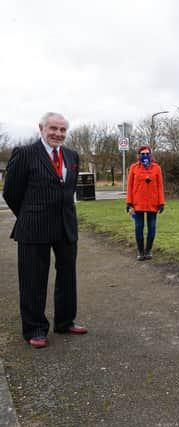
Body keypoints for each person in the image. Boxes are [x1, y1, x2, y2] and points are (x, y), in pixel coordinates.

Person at [2, 112, 88, 348]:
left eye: (62, 130)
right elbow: (11, 192)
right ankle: (35, 329)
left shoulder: (71, 156)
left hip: (66, 227)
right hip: (34, 227)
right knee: (33, 280)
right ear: (41, 128)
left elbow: (68, 190)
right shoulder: (25, 153)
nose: (58, 134)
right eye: (53, 129)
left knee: (68, 276)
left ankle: (65, 321)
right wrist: (30, 214)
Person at [126, 145, 165, 261]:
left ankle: (148, 250)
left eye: (147, 153)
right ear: (139, 155)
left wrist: (161, 202)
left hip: (152, 203)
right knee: (139, 227)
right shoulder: (134, 168)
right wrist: (129, 203)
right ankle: (140, 251)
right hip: (137, 204)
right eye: (142, 154)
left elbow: (160, 186)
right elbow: (129, 187)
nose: (145, 156)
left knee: (152, 227)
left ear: (150, 154)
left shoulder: (156, 168)